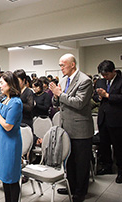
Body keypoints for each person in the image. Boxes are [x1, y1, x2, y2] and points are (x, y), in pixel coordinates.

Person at [49, 53, 94, 202]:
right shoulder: (63, 80)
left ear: (72, 64)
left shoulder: (85, 80)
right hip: (66, 127)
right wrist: (55, 97)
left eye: (63, 64)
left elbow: (79, 103)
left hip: (80, 129)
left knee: (81, 163)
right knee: (69, 160)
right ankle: (72, 186)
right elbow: (58, 102)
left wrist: (59, 94)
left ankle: (80, 192)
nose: (60, 67)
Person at [0, 71, 23, 202]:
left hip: (11, 143)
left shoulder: (15, 102)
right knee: (4, 177)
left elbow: (8, 126)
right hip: (3, 141)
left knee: (11, 177)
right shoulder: (5, 100)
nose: (0, 86)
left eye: (2, 83)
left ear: (10, 85)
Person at [93, 60, 122, 183]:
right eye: (103, 75)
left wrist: (108, 96)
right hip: (103, 118)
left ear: (113, 71)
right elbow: (94, 96)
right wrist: (99, 96)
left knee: (119, 146)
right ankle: (107, 166)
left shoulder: (120, 81)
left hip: (116, 119)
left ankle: (120, 171)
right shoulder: (100, 82)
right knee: (104, 145)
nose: (105, 77)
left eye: (107, 75)